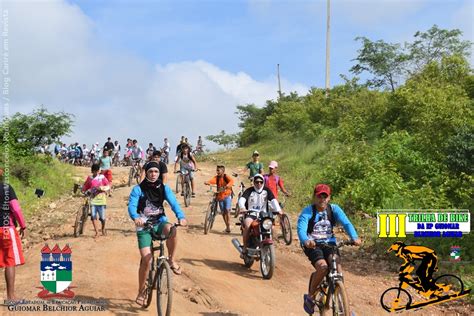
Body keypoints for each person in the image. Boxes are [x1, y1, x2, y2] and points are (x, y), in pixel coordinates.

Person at [128, 162, 187, 306]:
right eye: (150, 171)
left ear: (159, 173)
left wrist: (181, 216)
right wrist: (135, 217)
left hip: (159, 222)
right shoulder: (138, 189)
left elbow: (174, 203)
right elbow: (132, 205)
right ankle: (141, 291)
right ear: (146, 173)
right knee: (147, 260)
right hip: (144, 227)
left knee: (172, 229)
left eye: (156, 171)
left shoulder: (164, 188)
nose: (153, 174)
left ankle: (171, 260)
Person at [297, 184, 361, 315]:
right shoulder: (308, 211)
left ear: (329, 198)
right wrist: (306, 240)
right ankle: (310, 296)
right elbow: (301, 229)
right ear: (315, 197)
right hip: (313, 244)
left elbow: (347, 223)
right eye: (319, 196)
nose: (322, 199)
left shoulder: (334, 209)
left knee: (338, 269)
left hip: (330, 244)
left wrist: (354, 237)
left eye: (325, 196)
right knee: (322, 267)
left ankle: (343, 306)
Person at [238, 174, 281, 255]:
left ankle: (271, 247)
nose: (259, 184)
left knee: (272, 227)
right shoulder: (249, 190)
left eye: (261, 182)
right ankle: (245, 247)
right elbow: (242, 200)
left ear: (263, 182)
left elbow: (273, 200)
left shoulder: (267, 190)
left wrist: (279, 210)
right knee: (247, 225)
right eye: (257, 182)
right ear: (254, 182)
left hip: (264, 215)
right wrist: (242, 207)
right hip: (251, 214)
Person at [0, 168, 27, 303]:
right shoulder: (6, 188)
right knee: (9, 262)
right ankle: (11, 298)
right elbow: (15, 208)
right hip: (6, 229)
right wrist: (23, 225)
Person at [82, 164, 110, 237]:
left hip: (102, 199)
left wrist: (102, 188)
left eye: (97, 171)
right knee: (93, 216)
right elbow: (85, 186)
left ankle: (103, 228)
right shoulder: (90, 178)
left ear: (99, 171)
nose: (96, 173)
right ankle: (97, 232)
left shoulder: (102, 177)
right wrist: (84, 190)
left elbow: (108, 186)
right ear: (92, 171)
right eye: (94, 171)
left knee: (102, 218)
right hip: (93, 200)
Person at [204, 165, 234, 233]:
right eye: (217, 170)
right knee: (223, 212)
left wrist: (227, 186)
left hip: (227, 195)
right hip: (220, 197)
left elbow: (231, 181)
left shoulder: (226, 177)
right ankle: (227, 226)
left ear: (223, 171)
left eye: (218, 170)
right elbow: (212, 181)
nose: (217, 172)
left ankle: (228, 225)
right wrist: (207, 182)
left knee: (227, 210)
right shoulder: (216, 178)